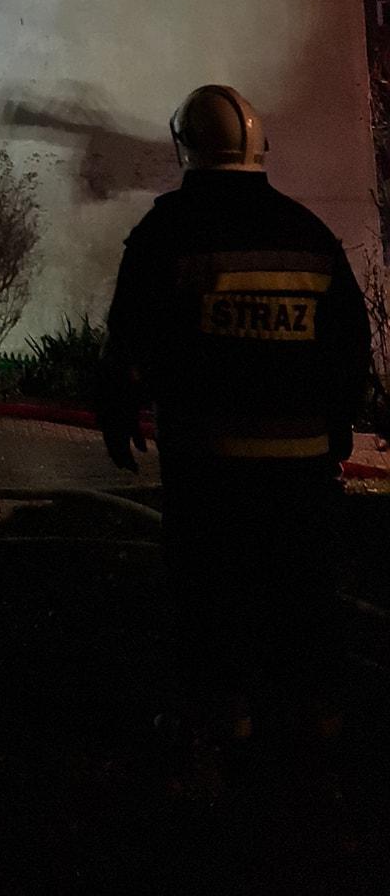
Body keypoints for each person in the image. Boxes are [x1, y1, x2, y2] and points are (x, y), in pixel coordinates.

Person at [98, 84, 371, 769]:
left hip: (208, 459)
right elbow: (351, 346)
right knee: (301, 592)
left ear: (184, 145)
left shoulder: (166, 231)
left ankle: (219, 720)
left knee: (207, 591)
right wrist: (333, 433)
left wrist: (119, 413)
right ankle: (312, 722)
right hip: (303, 465)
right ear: (260, 148)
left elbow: (129, 338)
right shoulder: (309, 233)